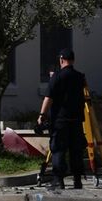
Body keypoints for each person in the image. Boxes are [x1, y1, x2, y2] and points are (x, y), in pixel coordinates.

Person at [37, 48, 86, 189]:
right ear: (73, 60)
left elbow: (48, 98)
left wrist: (42, 116)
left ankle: (58, 180)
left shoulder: (57, 77)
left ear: (61, 60)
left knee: (58, 150)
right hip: (76, 120)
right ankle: (78, 180)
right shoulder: (80, 77)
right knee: (76, 151)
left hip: (60, 120)